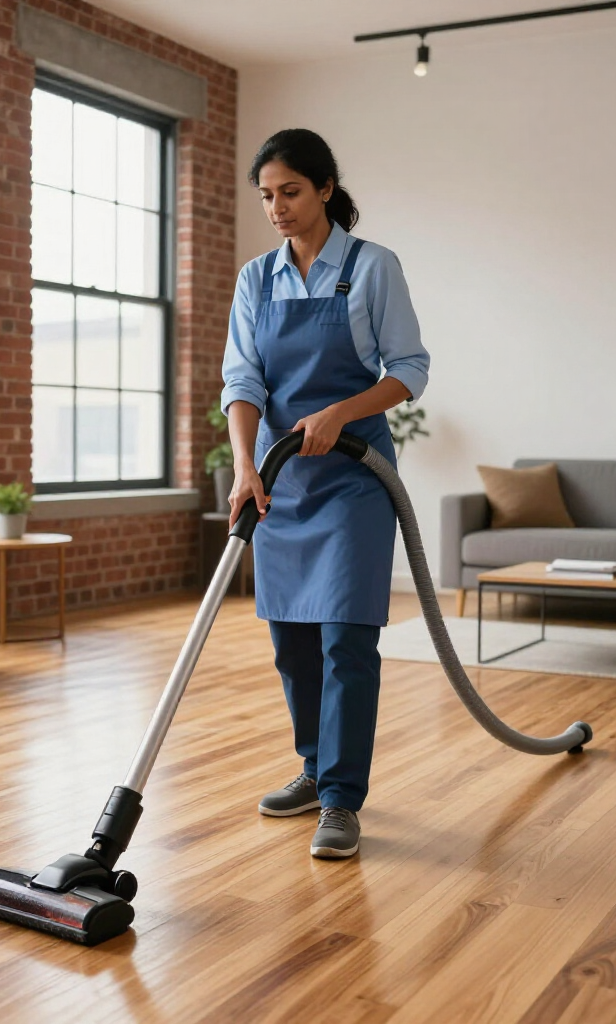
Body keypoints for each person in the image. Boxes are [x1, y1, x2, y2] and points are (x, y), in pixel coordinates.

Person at [220, 128, 430, 859]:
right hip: (281, 481)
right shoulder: (257, 278)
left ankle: (342, 800)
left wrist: (343, 411)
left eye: (290, 192)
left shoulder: (373, 268)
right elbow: (243, 380)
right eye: (267, 196)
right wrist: (245, 466)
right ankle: (312, 770)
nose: (276, 208)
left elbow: (410, 368)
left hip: (353, 478)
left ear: (325, 190)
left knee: (346, 638)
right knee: (292, 643)